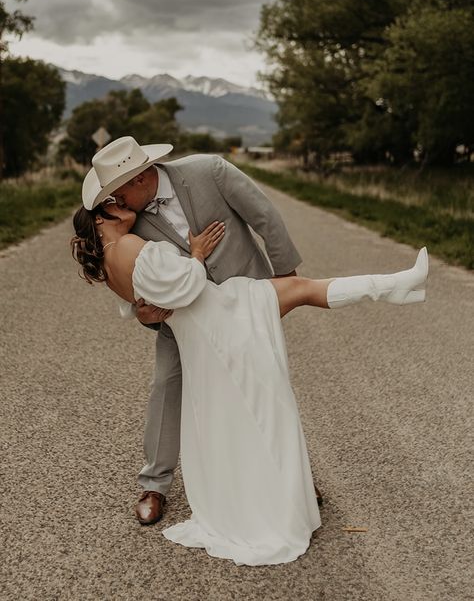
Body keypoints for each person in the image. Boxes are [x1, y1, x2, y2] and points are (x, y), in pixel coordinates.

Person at [71, 198, 428, 566]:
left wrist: (145, 303)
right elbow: (185, 286)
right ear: (101, 220)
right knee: (265, 391)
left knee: (300, 294)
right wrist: (196, 254)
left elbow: (143, 303)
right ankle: (397, 285)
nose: (123, 204)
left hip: (209, 321)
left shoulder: (108, 263)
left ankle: (397, 285)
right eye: (112, 205)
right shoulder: (128, 244)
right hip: (219, 317)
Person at [81, 136, 316, 526]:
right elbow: (132, 280)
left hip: (246, 302)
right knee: (166, 385)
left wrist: (285, 281)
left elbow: (265, 217)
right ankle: (154, 484)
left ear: (140, 178)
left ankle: (293, 480)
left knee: (266, 384)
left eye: (117, 193)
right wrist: (145, 315)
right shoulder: (128, 222)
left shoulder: (210, 171)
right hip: (184, 318)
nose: (115, 204)